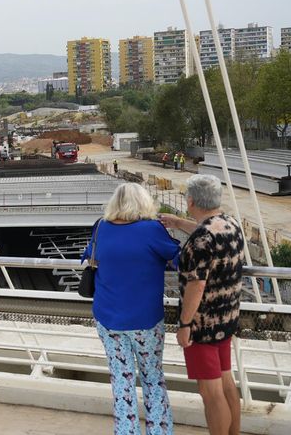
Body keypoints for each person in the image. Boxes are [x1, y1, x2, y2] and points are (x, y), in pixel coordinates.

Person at [82, 183, 180, 435]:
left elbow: (88, 256)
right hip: (145, 320)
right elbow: (179, 259)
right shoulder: (151, 230)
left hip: (108, 319)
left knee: (121, 382)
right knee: (152, 379)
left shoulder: (101, 228)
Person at [159, 175, 245, 435]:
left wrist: (184, 324)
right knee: (227, 381)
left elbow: (196, 285)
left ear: (191, 200)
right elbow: (204, 231)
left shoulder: (199, 241)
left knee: (211, 392)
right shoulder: (230, 224)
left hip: (202, 326)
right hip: (227, 319)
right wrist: (175, 222)